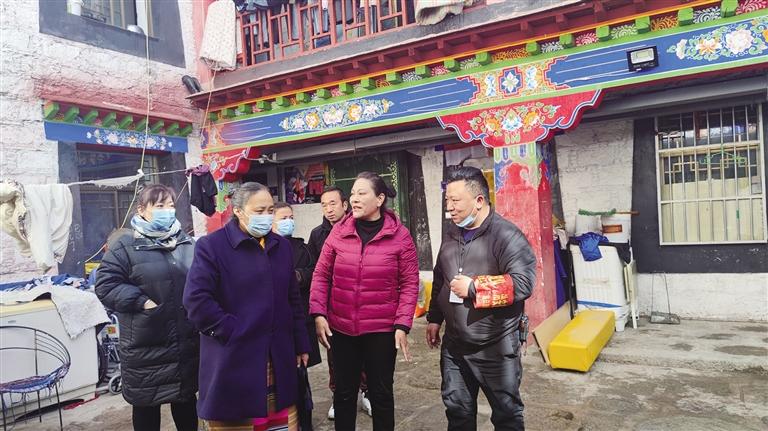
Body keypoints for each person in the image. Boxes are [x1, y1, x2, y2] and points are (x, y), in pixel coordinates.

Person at [183, 182, 310, 430]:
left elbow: (292, 299)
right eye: (259, 211)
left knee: (281, 422)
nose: (267, 217)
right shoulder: (212, 247)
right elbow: (196, 300)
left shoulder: (281, 246)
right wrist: (231, 330)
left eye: (270, 210)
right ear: (238, 211)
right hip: (233, 356)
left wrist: (300, 342)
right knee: (238, 420)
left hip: (278, 354)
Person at [426, 166, 537, 431]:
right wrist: (434, 319)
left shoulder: (507, 236)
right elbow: (440, 278)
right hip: (455, 346)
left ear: (479, 201)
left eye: (455, 201)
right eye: (447, 201)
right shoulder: (452, 234)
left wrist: (475, 287)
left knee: (507, 416)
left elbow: (523, 283)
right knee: (457, 413)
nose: (449, 208)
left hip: (496, 346)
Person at [310, 172, 420, 431]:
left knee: (381, 394)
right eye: (352, 194)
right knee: (344, 393)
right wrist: (318, 313)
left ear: (380, 199)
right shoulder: (339, 232)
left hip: (381, 331)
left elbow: (409, 283)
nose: (354, 199)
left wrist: (402, 325)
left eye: (362, 193)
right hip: (342, 329)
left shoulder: (400, 236)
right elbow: (321, 274)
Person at [95, 184, 199, 431]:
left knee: (185, 400)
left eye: (170, 205)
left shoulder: (185, 242)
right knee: (146, 404)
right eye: (159, 206)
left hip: (184, 340)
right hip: (145, 343)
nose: (167, 211)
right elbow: (106, 285)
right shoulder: (126, 245)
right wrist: (142, 302)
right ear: (141, 210)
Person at [307, 186, 372, 420]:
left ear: (345, 205)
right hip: (333, 306)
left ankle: (366, 391)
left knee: (366, 352)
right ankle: (339, 395)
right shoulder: (317, 235)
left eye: (333, 203)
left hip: (361, 303)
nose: (328, 209)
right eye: (324, 205)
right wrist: (318, 309)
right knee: (335, 355)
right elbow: (315, 272)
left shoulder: (361, 227)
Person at [272, 201, 321, 368]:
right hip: (276, 319)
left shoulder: (303, 247)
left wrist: (299, 276)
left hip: (301, 312)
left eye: (291, 218)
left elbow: (315, 271)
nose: (289, 221)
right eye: (283, 218)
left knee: (301, 367)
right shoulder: (262, 248)